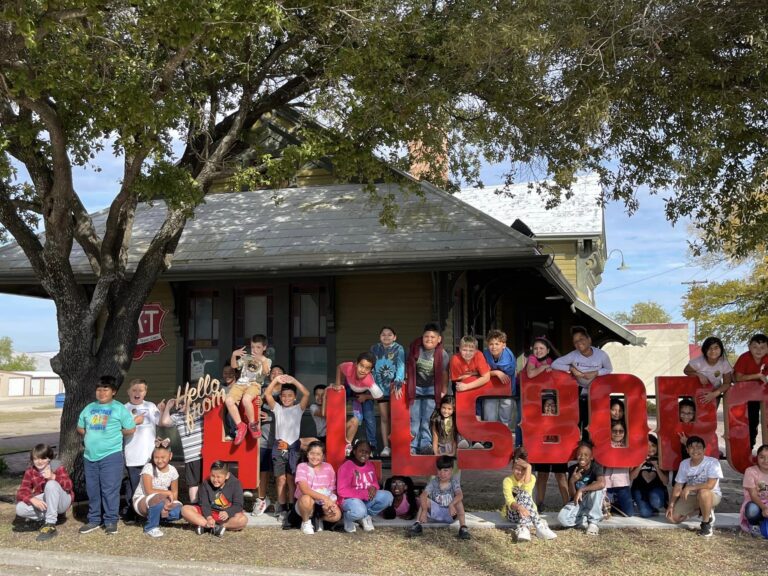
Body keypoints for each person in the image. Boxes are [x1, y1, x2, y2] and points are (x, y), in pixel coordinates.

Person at [77, 375, 137, 535]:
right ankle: (94, 520)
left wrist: (116, 433)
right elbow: (80, 427)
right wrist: (91, 436)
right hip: (90, 457)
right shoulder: (89, 408)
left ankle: (110, 520)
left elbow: (131, 429)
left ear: (114, 392)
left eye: (106, 389)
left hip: (111, 456)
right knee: (92, 489)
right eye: (98, 389)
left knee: (110, 489)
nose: (101, 392)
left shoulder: (119, 408)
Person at [264, 372, 310, 521]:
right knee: (280, 479)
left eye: (290, 396)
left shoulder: (298, 409)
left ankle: (292, 506)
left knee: (292, 478)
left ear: (294, 397)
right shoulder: (277, 409)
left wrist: (294, 381)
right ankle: (282, 507)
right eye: (284, 396)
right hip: (280, 446)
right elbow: (267, 393)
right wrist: (276, 380)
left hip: (294, 447)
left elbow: (307, 393)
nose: (287, 398)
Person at [552, 326, 613, 440]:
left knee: (592, 420)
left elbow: (609, 369)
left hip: (596, 392)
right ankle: (575, 445)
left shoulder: (601, 355)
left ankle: (589, 444)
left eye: (581, 339)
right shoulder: (573, 355)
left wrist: (596, 373)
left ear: (589, 339)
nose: (579, 343)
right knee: (578, 418)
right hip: (579, 390)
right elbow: (555, 364)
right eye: (575, 341)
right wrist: (571, 368)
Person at [666, 435, 723, 537]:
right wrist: (671, 505)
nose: (695, 450)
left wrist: (689, 487)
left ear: (704, 449)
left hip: (711, 495)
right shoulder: (684, 464)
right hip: (692, 496)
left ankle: (706, 524)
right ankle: (699, 510)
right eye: (692, 447)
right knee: (672, 518)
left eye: (699, 447)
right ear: (687, 450)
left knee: (703, 492)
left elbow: (710, 485)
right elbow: (678, 486)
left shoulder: (713, 462)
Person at [14, 443, 74, 541]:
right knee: (20, 508)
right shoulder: (30, 471)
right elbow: (22, 491)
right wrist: (32, 499)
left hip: (63, 501)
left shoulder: (57, 467)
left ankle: (50, 524)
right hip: (46, 502)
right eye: (36, 459)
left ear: (49, 458)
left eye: (43, 458)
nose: (39, 461)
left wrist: (53, 477)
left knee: (51, 484)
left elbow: (69, 486)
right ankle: (50, 516)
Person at [406, 322, 450, 455]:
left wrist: (443, 389)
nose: (429, 339)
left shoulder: (442, 354)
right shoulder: (415, 349)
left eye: (432, 337)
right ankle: (413, 445)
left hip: (431, 387)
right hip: (416, 387)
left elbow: (444, 373)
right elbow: (407, 367)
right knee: (414, 418)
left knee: (427, 417)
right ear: (422, 337)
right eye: (426, 336)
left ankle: (425, 443)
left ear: (439, 339)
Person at [122, 378, 160, 521]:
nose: (137, 393)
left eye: (141, 390)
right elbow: (120, 430)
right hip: (132, 454)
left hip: (149, 455)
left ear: (145, 392)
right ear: (128, 391)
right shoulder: (123, 408)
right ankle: (131, 511)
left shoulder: (150, 406)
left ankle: (148, 511)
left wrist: (164, 409)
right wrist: (134, 422)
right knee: (132, 485)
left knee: (149, 484)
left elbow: (161, 421)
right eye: (134, 390)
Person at [408, 455, 471, 540]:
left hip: (450, 514)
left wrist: (451, 504)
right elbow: (423, 495)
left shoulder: (454, 482)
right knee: (424, 500)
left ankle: (463, 528)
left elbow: (460, 495)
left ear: (451, 470)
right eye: (439, 470)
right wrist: (425, 511)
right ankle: (417, 525)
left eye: (446, 470)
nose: (442, 473)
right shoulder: (434, 482)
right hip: (435, 512)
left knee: (459, 502)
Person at [501, 447, 557, 542]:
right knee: (524, 495)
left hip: (528, 513)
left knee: (524, 494)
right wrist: (519, 507)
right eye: (516, 469)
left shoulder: (532, 478)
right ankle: (538, 526)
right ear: (512, 468)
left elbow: (525, 490)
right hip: (512, 513)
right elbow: (509, 501)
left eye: (523, 470)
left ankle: (524, 528)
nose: (519, 472)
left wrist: (529, 467)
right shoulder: (507, 480)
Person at [332, 352, 383, 455]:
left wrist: (366, 397)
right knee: (338, 405)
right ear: (356, 364)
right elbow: (339, 367)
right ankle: (337, 441)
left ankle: (372, 446)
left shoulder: (369, 382)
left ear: (371, 370)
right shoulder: (349, 367)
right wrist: (338, 383)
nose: (363, 370)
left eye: (367, 368)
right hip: (349, 387)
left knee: (369, 418)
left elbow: (380, 396)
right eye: (361, 366)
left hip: (364, 393)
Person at [337, 440, 393, 533]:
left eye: (367, 452)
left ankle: (365, 516)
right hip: (350, 500)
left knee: (387, 496)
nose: (364, 454)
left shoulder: (370, 464)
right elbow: (342, 490)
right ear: (354, 451)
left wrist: (374, 487)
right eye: (361, 451)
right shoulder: (347, 466)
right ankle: (348, 517)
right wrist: (364, 494)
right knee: (358, 510)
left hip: (366, 498)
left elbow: (374, 482)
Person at [182, 460, 248, 537]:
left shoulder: (236, 483)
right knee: (185, 509)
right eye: (212, 476)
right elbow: (204, 504)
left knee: (243, 520)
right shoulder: (205, 483)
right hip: (208, 513)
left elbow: (238, 505)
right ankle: (207, 525)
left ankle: (220, 526)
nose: (215, 480)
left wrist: (228, 512)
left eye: (218, 477)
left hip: (225, 515)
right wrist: (209, 517)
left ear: (227, 476)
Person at [227, 333, 271, 445]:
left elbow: (266, 372)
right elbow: (234, 366)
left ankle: (252, 424)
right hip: (240, 384)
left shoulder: (266, 360)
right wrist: (234, 355)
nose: (255, 350)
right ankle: (240, 426)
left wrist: (261, 360)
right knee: (228, 401)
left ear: (264, 348)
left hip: (254, 384)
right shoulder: (246, 358)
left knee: (246, 400)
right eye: (252, 347)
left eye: (258, 347)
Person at [132, 440, 182, 538]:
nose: (159, 461)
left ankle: (159, 518)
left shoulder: (173, 470)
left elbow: (174, 493)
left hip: (162, 500)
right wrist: (167, 493)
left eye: (163, 457)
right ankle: (150, 527)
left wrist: (170, 503)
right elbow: (149, 491)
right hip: (143, 500)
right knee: (157, 498)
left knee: (180, 509)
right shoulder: (149, 467)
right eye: (156, 457)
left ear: (170, 456)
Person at [370, 326, 406, 458]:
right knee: (384, 417)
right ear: (380, 336)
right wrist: (372, 384)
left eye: (389, 334)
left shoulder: (399, 348)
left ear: (394, 337)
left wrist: (398, 381)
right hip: (380, 388)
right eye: (383, 334)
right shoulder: (374, 348)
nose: (386, 336)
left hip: (394, 388)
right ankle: (386, 447)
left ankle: (397, 446)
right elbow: (371, 366)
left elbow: (401, 365)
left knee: (396, 418)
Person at [159, 397, 203, 504]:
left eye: (183, 402)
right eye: (178, 403)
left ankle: (206, 504)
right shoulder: (177, 416)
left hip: (203, 453)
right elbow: (164, 422)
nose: (180, 405)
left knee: (206, 480)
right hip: (190, 455)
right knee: (193, 483)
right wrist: (168, 407)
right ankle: (194, 505)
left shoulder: (199, 412)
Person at [557, 440, 605, 536]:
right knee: (562, 519)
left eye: (586, 455)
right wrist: (572, 481)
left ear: (591, 457)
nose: (582, 457)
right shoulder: (573, 469)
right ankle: (584, 519)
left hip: (590, 500)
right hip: (578, 502)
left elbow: (602, 483)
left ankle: (593, 523)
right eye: (579, 454)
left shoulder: (596, 467)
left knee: (597, 489)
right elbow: (572, 496)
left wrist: (582, 489)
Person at [253, 364, 283, 516]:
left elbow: (289, 415)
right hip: (264, 439)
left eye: (279, 372)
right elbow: (254, 409)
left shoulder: (287, 393)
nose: (276, 374)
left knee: (280, 474)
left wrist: (270, 417)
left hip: (281, 440)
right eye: (273, 372)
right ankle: (262, 499)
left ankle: (281, 503)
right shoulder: (262, 392)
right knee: (263, 472)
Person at [294, 441, 341, 534]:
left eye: (318, 454)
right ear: (307, 454)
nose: (315, 457)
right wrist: (325, 498)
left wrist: (330, 503)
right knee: (306, 499)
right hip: (305, 503)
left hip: (322, 503)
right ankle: (305, 522)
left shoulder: (328, 467)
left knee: (337, 515)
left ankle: (318, 518)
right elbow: (305, 489)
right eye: (312, 453)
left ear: (323, 456)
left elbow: (333, 490)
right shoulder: (302, 466)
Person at [532, 394, 569, 510]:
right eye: (547, 405)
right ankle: (540, 503)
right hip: (543, 451)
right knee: (542, 475)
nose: (550, 408)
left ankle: (567, 504)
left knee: (561, 476)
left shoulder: (561, 419)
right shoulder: (539, 419)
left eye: (553, 405)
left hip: (558, 451)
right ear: (542, 407)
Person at [733, 333, 768, 450]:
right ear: (749, 347)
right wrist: (758, 375)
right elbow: (737, 378)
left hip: (760, 394)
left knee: (755, 422)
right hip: (743, 394)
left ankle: (751, 446)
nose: (759, 350)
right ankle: (744, 449)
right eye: (755, 347)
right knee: (745, 422)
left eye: (763, 347)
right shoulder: (744, 358)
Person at [483, 329, 516, 440]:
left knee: (504, 416)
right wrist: (496, 372)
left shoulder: (508, 357)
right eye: (491, 344)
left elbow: (507, 373)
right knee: (489, 415)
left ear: (504, 345)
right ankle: (490, 440)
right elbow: (481, 371)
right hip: (490, 389)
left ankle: (503, 439)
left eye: (497, 343)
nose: (494, 347)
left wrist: (492, 371)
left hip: (506, 389)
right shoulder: (485, 354)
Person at [684, 336, 733, 405]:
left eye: (716, 348)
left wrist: (714, 394)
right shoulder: (698, 362)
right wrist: (699, 375)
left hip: (715, 392)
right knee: (696, 414)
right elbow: (686, 371)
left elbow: (727, 383)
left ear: (721, 349)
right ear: (705, 350)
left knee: (711, 415)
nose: (713, 351)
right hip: (697, 392)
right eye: (709, 348)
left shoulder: (724, 363)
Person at [631, 434, 669, 518]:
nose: (650, 448)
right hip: (639, 489)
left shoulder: (662, 460)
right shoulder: (637, 458)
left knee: (657, 503)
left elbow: (665, 481)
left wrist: (656, 466)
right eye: (647, 446)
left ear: (657, 447)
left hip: (656, 489)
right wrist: (640, 464)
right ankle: (646, 504)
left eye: (653, 445)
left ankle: (654, 503)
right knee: (645, 513)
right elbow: (631, 477)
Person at [604, 420, 634, 517]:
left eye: (621, 431)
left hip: (622, 483)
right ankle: (610, 504)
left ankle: (615, 504)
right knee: (602, 511)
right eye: (614, 431)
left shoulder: (628, 445)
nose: (617, 433)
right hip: (606, 483)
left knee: (629, 513)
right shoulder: (604, 445)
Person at [739, 443, 768, 536]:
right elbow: (753, 495)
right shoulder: (750, 471)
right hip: (756, 503)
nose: (766, 460)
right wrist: (764, 508)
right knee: (752, 510)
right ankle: (754, 524)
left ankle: (764, 523)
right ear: (757, 458)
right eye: (762, 457)